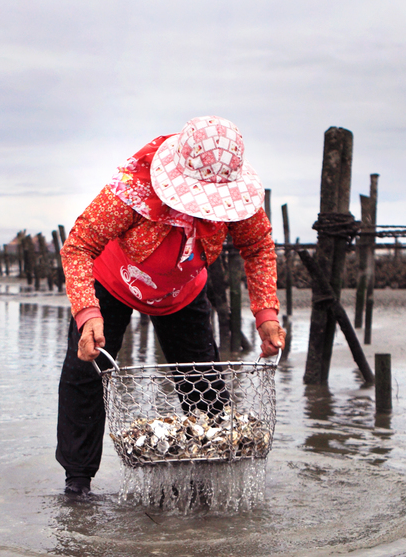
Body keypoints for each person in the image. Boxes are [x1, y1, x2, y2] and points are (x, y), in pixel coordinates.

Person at [56, 115, 286, 497]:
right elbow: (78, 246)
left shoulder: (236, 199)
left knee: (204, 383)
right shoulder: (132, 190)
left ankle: (211, 480)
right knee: (85, 374)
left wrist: (266, 314)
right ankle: (77, 484)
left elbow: (258, 247)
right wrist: (87, 313)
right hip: (113, 281)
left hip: (183, 290)